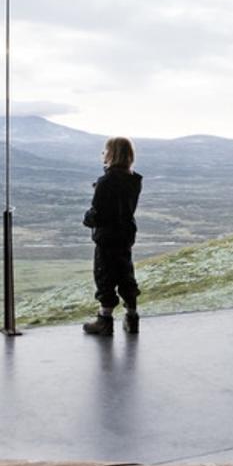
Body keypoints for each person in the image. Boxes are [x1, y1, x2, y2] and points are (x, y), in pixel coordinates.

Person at [82, 136, 142, 336]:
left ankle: (104, 321)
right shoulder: (134, 179)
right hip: (125, 235)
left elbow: (98, 214)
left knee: (105, 276)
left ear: (112, 154)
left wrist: (87, 218)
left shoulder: (105, 182)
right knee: (126, 274)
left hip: (107, 237)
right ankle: (132, 318)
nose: (102, 154)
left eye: (105, 150)